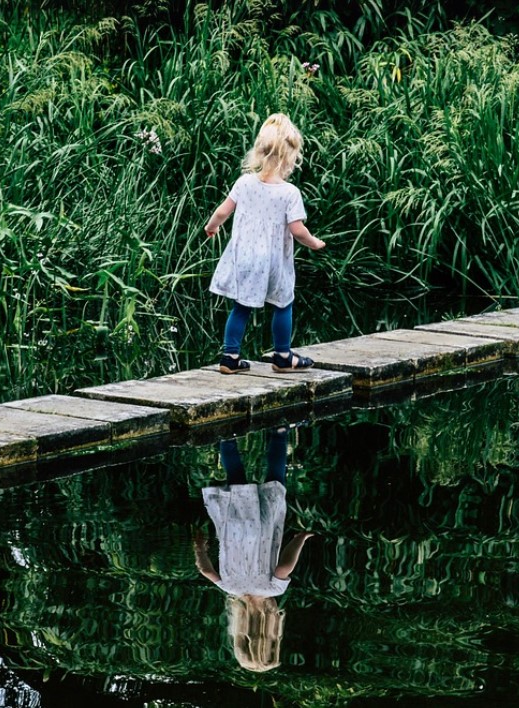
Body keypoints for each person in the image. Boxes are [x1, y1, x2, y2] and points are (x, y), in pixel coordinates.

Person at [204, 113, 326, 375]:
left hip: (244, 257)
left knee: (241, 306)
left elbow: (223, 211)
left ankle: (230, 356)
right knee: (283, 302)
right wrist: (314, 242)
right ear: (288, 156)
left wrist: (212, 226)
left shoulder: (244, 182)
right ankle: (283, 355)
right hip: (273, 260)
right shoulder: (289, 192)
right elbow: (297, 229)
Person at [193, 426, 314, 672]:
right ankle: (227, 435)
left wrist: (300, 538)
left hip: (264, 527)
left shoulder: (273, 589)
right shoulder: (230, 587)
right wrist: (199, 546)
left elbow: (284, 566)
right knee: (235, 474)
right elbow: (206, 571)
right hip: (236, 527)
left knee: (275, 479)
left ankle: (280, 431)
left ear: (273, 632)